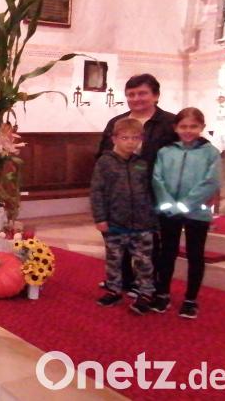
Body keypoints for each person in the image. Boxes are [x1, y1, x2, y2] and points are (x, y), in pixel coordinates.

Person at [97, 74, 177, 296]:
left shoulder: (170, 123)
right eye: (131, 94)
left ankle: (149, 285)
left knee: (148, 244)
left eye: (142, 93)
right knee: (117, 240)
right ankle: (123, 281)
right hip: (118, 195)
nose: (136, 98)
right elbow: (102, 155)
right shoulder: (116, 122)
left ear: (156, 95)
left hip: (154, 193)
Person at [150, 108, 222, 319]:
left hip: (196, 212)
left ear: (202, 128)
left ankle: (191, 299)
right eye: (183, 126)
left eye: (193, 126)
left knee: (195, 254)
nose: (188, 131)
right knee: (167, 253)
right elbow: (157, 179)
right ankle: (162, 293)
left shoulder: (210, 153)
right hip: (169, 211)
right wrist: (169, 204)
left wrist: (186, 204)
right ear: (175, 128)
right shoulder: (166, 152)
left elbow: (211, 181)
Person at [91, 118, 158, 314]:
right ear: (114, 139)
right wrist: (100, 218)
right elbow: (97, 191)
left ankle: (146, 293)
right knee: (114, 259)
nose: (130, 142)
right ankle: (114, 289)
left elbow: (149, 191)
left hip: (141, 223)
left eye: (135, 138)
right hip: (114, 222)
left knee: (144, 261)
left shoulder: (141, 163)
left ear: (141, 139)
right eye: (124, 137)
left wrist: (152, 219)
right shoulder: (105, 162)